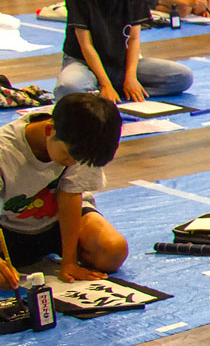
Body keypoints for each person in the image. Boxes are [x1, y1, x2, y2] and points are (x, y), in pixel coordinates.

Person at [0, 94, 128, 285]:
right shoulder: (5, 151)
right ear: (49, 130)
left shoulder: (86, 139)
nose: (74, 164)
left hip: (56, 221)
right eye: (68, 157)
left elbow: (70, 194)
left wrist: (69, 261)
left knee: (112, 251)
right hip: (9, 229)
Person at [57, 0, 193, 101]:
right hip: (84, 63)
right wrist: (105, 83)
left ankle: (114, 92)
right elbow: (86, 46)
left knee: (183, 77)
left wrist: (131, 77)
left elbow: (133, 40)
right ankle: (102, 90)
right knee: (69, 86)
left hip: (119, 62)